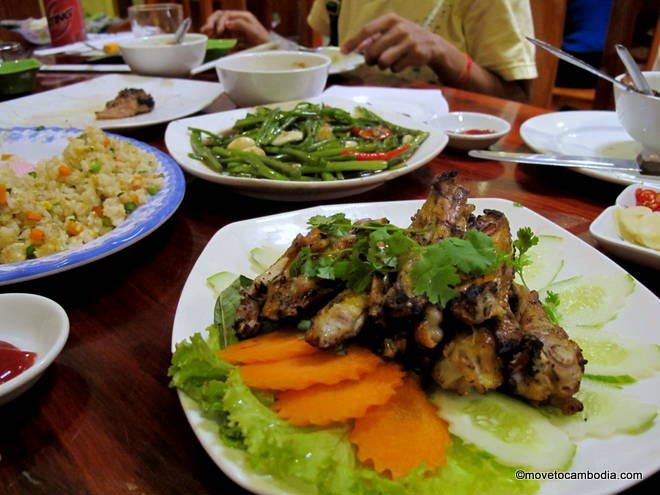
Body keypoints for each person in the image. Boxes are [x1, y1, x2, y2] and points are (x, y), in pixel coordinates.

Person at [202, 1, 537, 102]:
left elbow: (518, 100)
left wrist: (442, 53)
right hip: (351, 140)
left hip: (447, 161)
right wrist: (269, 44)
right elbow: (333, 59)